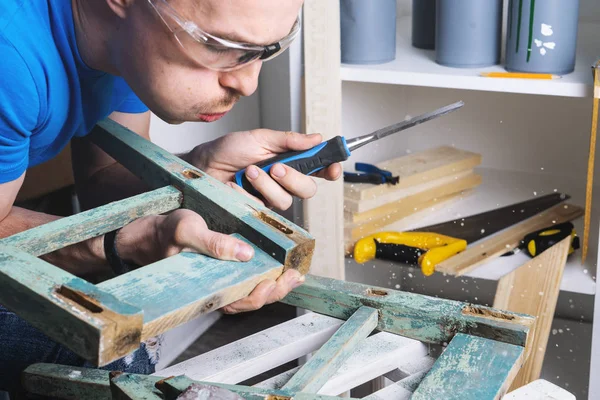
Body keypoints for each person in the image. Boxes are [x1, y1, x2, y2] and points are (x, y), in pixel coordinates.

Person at [0, 0, 342, 394]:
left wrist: (199, 175)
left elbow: (102, 176)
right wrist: (120, 244)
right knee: (114, 362)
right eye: (218, 46)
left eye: (265, 51)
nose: (247, 83)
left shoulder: (125, 39)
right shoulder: (10, 56)